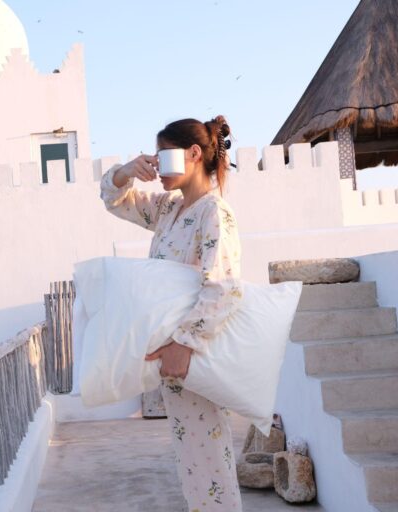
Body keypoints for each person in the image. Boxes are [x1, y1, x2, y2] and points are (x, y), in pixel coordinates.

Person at [99, 116, 243, 511]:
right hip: (174, 362)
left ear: (194, 154)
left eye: (165, 156)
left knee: (210, 465)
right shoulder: (168, 209)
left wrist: (184, 344)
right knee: (193, 466)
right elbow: (114, 199)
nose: (157, 166)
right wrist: (127, 171)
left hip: (194, 357)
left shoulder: (214, 212)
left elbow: (225, 286)